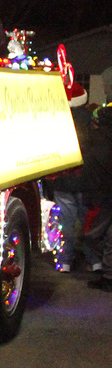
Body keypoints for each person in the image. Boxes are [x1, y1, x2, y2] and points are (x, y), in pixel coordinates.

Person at [50, 81, 92, 271]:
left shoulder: (56, 118)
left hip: (63, 180)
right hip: (87, 180)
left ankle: (64, 261)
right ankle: (94, 261)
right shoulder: (93, 121)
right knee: (88, 222)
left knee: (64, 222)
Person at [82, 103, 112, 291]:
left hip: (102, 195)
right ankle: (108, 274)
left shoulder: (94, 140)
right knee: (108, 235)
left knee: (92, 233)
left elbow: (91, 171)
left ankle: (107, 273)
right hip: (106, 194)